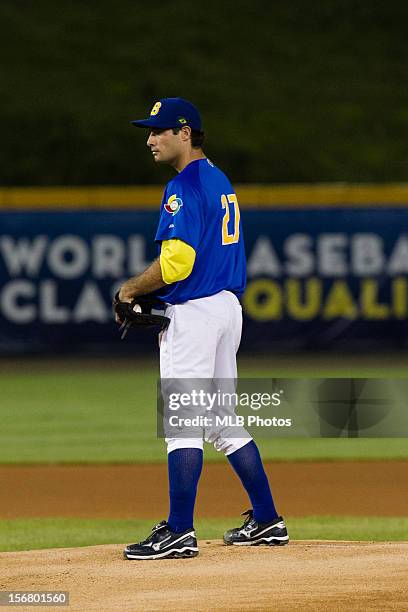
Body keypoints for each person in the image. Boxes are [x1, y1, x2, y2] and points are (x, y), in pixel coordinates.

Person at [118, 97, 288, 560]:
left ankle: (178, 530)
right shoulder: (218, 178)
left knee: (183, 422)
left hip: (193, 314)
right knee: (221, 421)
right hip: (226, 308)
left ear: (185, 133)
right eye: (149, 131)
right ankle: (268, 520)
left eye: (159, 131)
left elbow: (178, 262)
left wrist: (131, 289)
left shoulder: (183, 185)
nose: (151, 139)